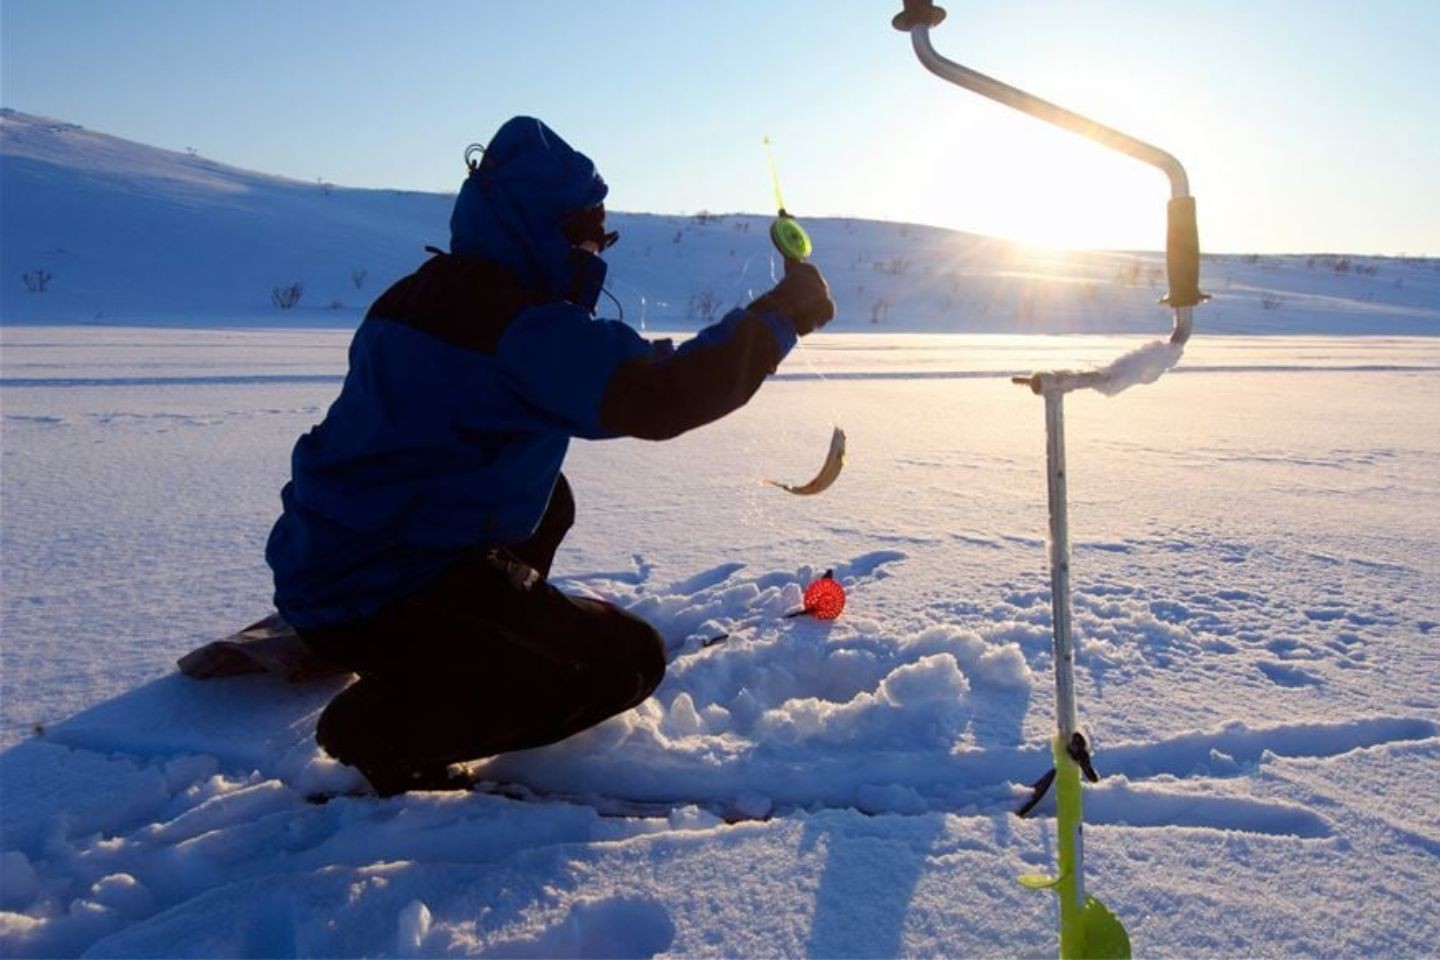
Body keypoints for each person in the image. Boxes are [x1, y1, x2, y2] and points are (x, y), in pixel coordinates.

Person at [265, 116, 834, 796]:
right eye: (592, 233)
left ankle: (469, 635)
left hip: (332, 550)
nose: (599, 249)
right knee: (627, 664)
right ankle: (380, 726)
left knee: (544, 494)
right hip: (370, 584)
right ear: (552, 230)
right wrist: (780, 316)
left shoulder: (427, 292)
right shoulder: (514, 325)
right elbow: (659, 395)